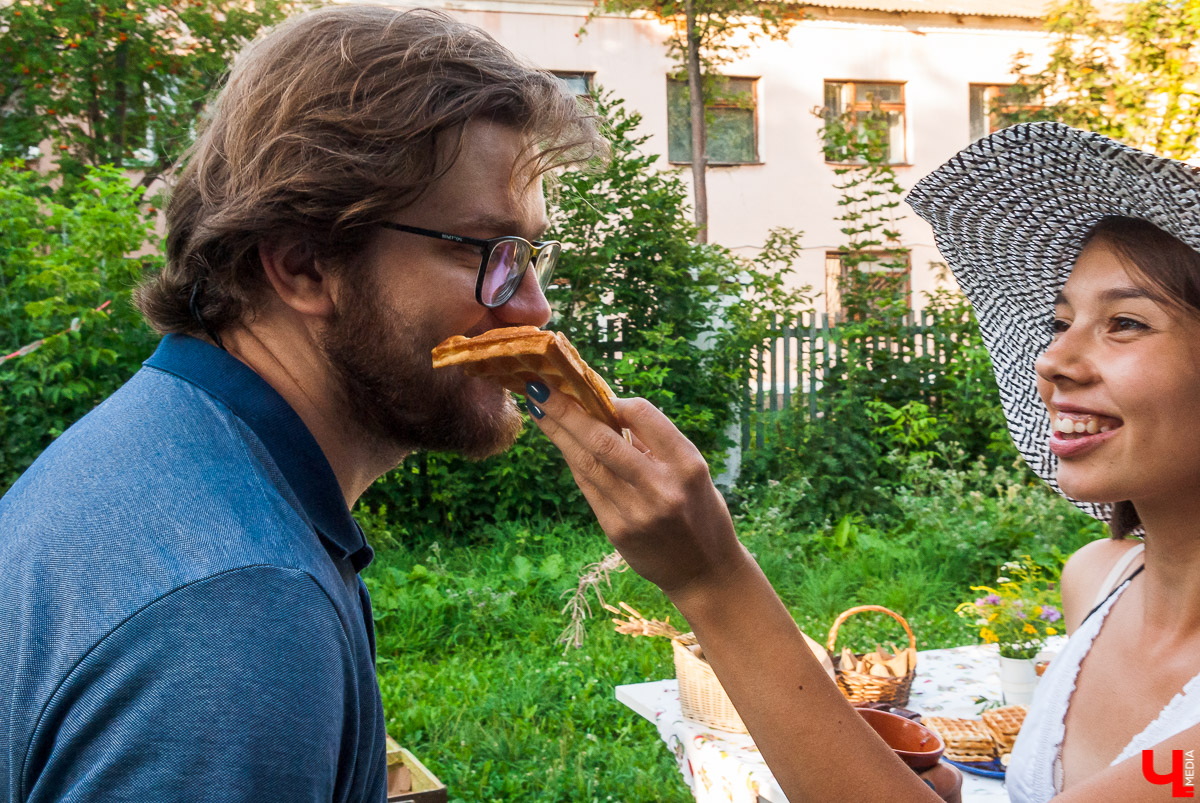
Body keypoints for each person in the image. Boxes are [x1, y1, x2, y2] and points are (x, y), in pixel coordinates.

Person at [0, 6, 603, 801]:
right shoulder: (242, 610)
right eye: (492, 254)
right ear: (302, 265)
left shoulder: (152, 445)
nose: (533, 309)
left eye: (531, 255)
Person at [524, 120, 1200, 801]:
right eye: (1060, 322)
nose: (1052, 361)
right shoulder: (1095, 581)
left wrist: (710, 577)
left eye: (1127, 323)